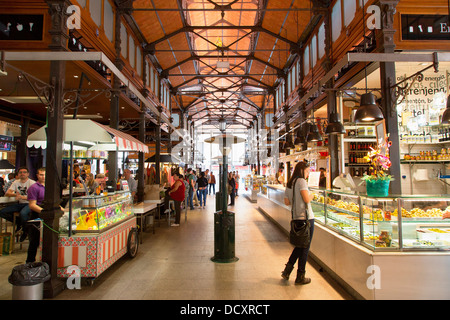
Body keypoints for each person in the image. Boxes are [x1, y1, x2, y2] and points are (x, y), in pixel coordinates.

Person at [281, 161, 315, 285]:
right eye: (307, 171)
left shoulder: (290, 183)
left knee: (299, 246)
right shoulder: (301, 181)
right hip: (306, 219)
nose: (308, 174)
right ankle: (300, 276)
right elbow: (306, 199)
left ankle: (287, 271)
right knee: (305, 247)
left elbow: (286, 201)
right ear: (302, 170)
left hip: (295, 218)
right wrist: (313, 196)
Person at [0, 166, 35, 241]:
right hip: (20, 204)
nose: (22, 174)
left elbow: (34, 197)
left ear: (28, 174)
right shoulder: (16, 182)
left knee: (23, 214)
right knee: (2, 212)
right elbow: (7, 193)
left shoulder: (32, 183)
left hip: (30, 203)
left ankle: (25, 230)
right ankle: (19, 223)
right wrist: (15, 195)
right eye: (20, 172)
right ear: (18, 174)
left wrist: (22, 197)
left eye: (24, 172)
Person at [26, 167, 46, 262]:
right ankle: (29, 263)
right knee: (34, 241)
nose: (43, 177)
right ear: (37, 175)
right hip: (36, 216)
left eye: (45, 174)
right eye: (41, 174)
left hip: (47, 216)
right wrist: (44, 212)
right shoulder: (33, 188)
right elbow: (32, 205)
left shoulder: (50, 187)